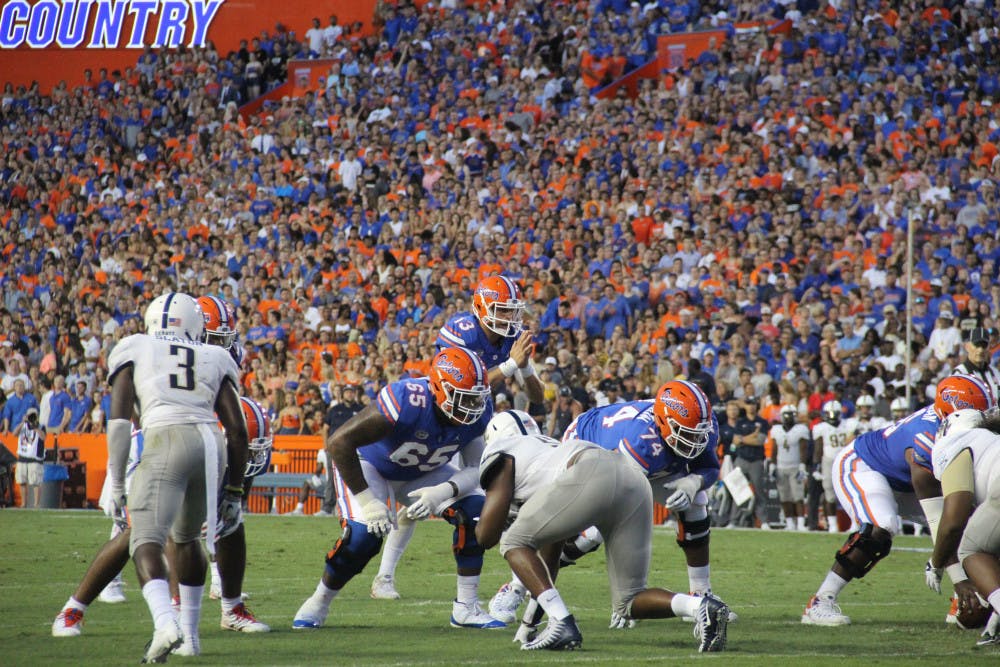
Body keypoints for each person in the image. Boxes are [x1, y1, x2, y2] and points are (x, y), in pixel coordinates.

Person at [475, 409, 731, 652]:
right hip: (634, 479)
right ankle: (702, 607)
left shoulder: (500, 450)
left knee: (512, 542)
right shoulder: (545, 451)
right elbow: (549, 559)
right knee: (628, 601)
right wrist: (528, 625)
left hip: (592, 470)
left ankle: (562, 623)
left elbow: (486, 537)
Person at [292, 346, 504, 630]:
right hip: (371, 466)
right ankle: (319, 601)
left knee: (476, 511)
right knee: (364, 537)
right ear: (440, 389)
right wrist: (368, 501)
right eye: (464, 398)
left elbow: (476, 468)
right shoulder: (407, 400)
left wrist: (442, 492)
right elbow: (339, 443)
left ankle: (466, 607)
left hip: (422, 472)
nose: (473, 407)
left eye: (477, 398)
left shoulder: (477, 411)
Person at [371, 274, 542, 600]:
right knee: (427, 494)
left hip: (477, 418)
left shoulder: (513, 339)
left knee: (487, 487)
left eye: (512, 311)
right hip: (447, 413)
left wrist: (526, 367)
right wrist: (508, 367)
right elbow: (461, 382)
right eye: (502, 311)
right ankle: (384, 576)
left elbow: (538, 395)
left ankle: (513, 581)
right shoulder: (462, 331)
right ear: (482, 308)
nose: (509, 318)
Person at [102, 292, 248, 661]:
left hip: (165, 437)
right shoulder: (215, 355)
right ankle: (192, 638)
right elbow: (238, 430)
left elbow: (120, 421)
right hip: (209, 445)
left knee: (146, 539)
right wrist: (233, 491)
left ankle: (166, 623)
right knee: (186, 540)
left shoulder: (135, 346)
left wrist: (116, 480)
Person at [51, 397, 272, 640]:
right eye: (246, 447)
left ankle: (232, 609)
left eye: (254, 448)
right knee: (143, 531)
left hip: (194, 447)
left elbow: (233, 504)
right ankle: (73, 609)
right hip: (155, 451)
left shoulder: (234, 444)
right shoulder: (191, 440)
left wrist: (231, 502)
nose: (252, 456)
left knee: (232, 522)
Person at [801, 375, 994, 627]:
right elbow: (939, 519)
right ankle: (820, 600)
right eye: (975, 413)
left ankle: (971, 600)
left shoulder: (953, 426)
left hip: (902, 479)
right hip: (863, 466)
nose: (979, 419)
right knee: (881, 528)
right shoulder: (926, 440)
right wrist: (958, 578)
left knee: (976, 527)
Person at [928, 409, 1000, 647]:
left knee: (972, 550)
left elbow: (953, 521)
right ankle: (994, 630)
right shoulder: (990, 440)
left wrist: (936, 563)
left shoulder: (954, 443)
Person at [727, 398, 770, 528]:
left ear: (756, 406)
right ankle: (734, 521)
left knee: (759, 491)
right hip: (741, 459)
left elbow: (760, 441)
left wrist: (743, 439)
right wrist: (752, 436)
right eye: (749, 404)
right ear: (745, 406)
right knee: (738, 490)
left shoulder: (762, 422)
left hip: (756, 460)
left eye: (753, 404)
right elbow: (735, 441)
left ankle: (763, 521)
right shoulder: (741, 422)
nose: (751, 407)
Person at [811, 400, 853, 533]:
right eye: (830, 413)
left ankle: (855, 523)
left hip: (845, 460)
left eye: (834, 413)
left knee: (851, 492)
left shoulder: (848, 424)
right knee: (829, 494)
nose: (832, 416)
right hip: (828, 461)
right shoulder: (821, 427)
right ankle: (833, 524)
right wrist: (816, 466)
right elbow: (818, 448)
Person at [768, 404, 810, 532]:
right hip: (781, 466)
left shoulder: (801, 429)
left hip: (795, 466)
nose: (788, 418)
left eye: (791, 415)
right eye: (786, 415)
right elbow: (774, 449)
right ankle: (790, 523)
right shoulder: (776, 429)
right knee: (784, 497)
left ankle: (801, 523)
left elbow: (804, 449)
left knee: (798, 496)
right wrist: (772, 464)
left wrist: (802, 466)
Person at [952, 327, 1000, 401]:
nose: (980, 350)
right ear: (967, 346)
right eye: (977, 345)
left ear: (988, 348)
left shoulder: (995, 372)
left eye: (984, 346)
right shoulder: (960, 373)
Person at [15, 407, 45, 507]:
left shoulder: (41, 426)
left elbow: (43, 437)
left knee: (36, 482)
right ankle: (23, 503)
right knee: (22, 481)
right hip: (22, 456)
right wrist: (22, 422)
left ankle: (36, 504)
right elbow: (14, 434)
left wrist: (35, 426)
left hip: (34, 458)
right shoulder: (23, 426)